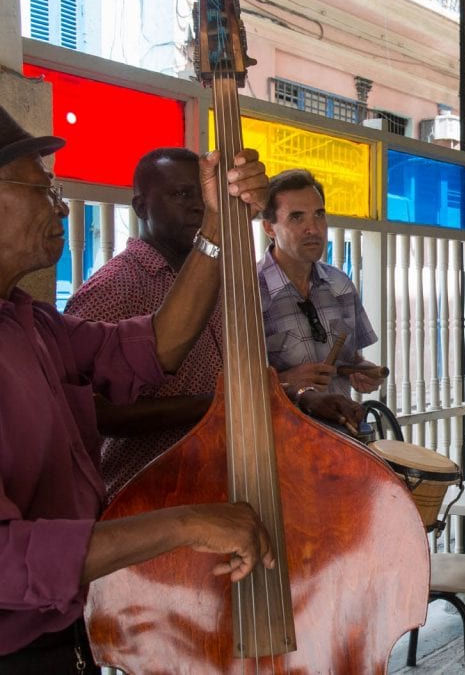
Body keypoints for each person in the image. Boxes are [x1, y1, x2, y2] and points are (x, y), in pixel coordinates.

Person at [0, 104, 276, 670]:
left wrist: (219, 231)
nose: (59, 204)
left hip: (55, 626)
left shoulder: (27, 322)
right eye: (40, 187)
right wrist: (185, 522)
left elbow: (153, 348)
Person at [65, 149, 364, 500]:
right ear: (141, 207)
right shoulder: (115, 287)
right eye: (181, 194)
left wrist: (302, 398)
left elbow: (239, 375)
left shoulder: (224, 281)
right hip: (147, 496)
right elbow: (94, 413)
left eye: (205, 195)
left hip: (221, 485)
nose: (199, 206)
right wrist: (220, 403)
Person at [257, 169, 383, 400]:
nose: (313, 229)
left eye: (319, 214)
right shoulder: (249, 293)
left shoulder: (340, 285)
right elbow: (231, 385)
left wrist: (362, 372)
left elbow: (351, 360)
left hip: (340, 430)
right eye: (296, 217)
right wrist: (284, 381)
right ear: (268, 228)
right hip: (280, 433)